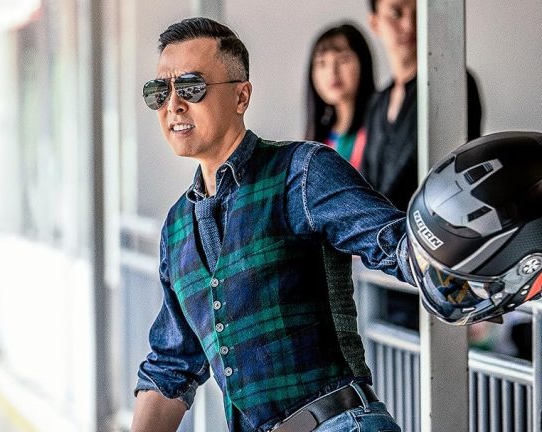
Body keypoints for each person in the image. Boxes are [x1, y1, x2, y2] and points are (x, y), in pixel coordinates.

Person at [132, 17, 416, 432]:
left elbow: (397, 244)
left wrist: (472, 270)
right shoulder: (176, 228)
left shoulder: (301, 171)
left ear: (241, 96)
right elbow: (171, 366)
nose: (173, 104)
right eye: (160, 92)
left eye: (191, 87)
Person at [362, 0, 483, 211]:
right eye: (396, 13)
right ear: (375, 23)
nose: (409, 25)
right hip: (378, 228)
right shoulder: (376, 103)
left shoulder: (452, 84)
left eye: (418, 13)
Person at [305, 23, 375, 170]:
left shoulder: (378, 128)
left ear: (363, 62)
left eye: (343, 60)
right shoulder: (316, 140)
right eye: (322, 63)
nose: (332, 71)